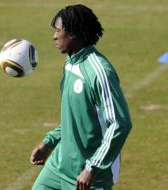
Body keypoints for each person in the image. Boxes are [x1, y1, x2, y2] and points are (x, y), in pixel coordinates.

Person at [30, 4, 132, 190]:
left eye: (58, 30)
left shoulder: (99, 72)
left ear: (73, 34)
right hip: (58, 167)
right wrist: (49, 142)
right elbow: (75, 118)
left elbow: (119, 123)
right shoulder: (70, 64)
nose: (54, 36)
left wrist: (92, 167)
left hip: (88, 176)